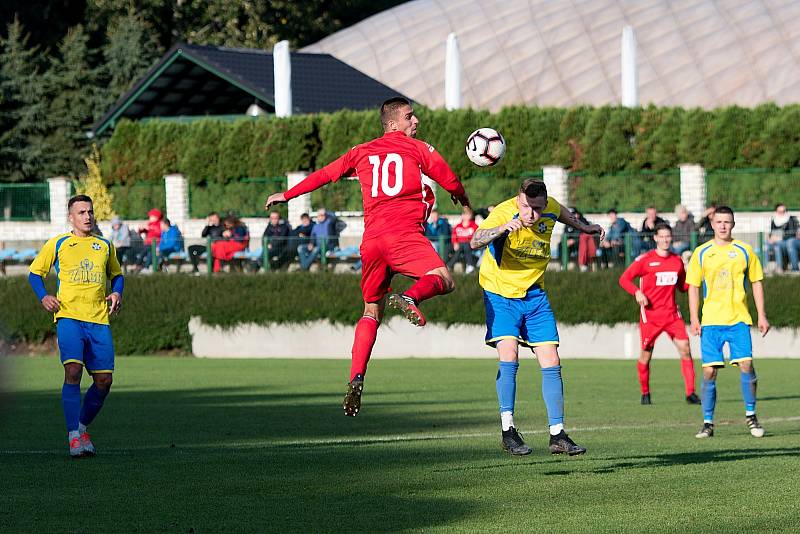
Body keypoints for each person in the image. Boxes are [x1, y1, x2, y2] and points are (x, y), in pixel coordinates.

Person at [265, 96, 470, 417]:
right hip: (403, 235)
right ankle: (411, 298)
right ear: (392, 124)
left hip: (372, 241)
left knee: (371, 309)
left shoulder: (360, 152)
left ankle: (356, 378)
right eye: (409, 117)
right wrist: (461, 195)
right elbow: (449, 178)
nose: (415, 122)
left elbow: (325, 174)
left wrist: (287, 194)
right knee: (443, 279)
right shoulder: (417, 149)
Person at [469, 179, 603, 456]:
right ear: (518, 200)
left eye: (538, 208)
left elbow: (563, 214)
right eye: (527, 207)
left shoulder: (549, 208)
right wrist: (500, 229)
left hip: (534, 296)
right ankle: (508, 430)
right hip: (500, 294)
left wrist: (584, 228)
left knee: (552, 359)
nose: (532, 214)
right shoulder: (505, 212)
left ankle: (557, 434)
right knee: (509, 355)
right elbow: (474, 241)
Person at [27, 195, 123, 458]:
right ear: (71, 217)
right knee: (73, 372)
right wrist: (44, 295)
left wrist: (117, 293)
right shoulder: (58, 243)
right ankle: (73, 437)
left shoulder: (104, 245)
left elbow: (117, 275)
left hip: (99, 320)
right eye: (81, 212)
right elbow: (35, 273)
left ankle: (81, 428)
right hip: (68, 316)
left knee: (104, 380)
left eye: (90, 212)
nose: (87, 216)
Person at [686, 206, 770, 439]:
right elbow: (692, 286)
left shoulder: (745, 250)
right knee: (709, 372)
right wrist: (694, 318)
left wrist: (761, 314)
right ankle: (707, 423)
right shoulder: (701, 253)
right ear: (712, 224)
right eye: (719, 221)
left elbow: (756, 282)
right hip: (711, 321)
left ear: (733, 224)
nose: (723, 226)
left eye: (727, 222)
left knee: (746, 365)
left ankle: (751, 416)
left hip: (738, 320)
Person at [618, 223, 700, 405]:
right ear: (655, 238)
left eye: (668, 237)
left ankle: (690, 393)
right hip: (651, 316)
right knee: (645, 356)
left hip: (672, 315)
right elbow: (624, 279)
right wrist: (637, 293)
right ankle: (645, 393)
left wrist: (693, 275)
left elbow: (682, 287)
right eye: (661, 236)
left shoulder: (677, 261)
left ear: (671, 238)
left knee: (685, 348)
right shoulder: (645, 260)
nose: (665, 240)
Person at [766, 203, 799, 273]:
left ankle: (780, 267)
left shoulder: (792, 219)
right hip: (776, 240)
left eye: (783, 211)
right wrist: (770, 238)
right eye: (779, 211)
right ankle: (765, 268)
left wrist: (781, 238)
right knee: (766, 244)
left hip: (786, 241)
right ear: (776, 211)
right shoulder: (774, 221)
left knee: (777, 245)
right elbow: (771, 233)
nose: (781, 213)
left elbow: (794, 233)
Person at [448, 207, 478, 273]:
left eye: (468, 214)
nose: (466, 216)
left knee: (466, 245)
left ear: (471, 215)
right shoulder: (458, 226)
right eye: (464, 214)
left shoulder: (474, 226)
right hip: (459, 246)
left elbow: (476, 237)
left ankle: (450, 265)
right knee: (460, 247)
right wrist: (455, 243)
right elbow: (454, 236)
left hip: (470, 245)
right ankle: (469, 265)